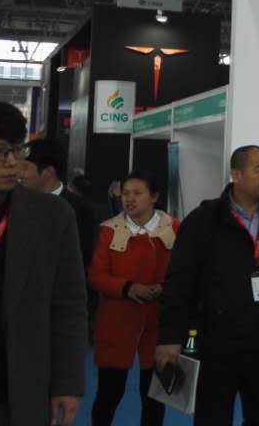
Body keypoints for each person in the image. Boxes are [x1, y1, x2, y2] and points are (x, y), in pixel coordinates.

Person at [157, 145, 259, 425]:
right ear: (236, 175)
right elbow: (179, 281)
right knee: (213, 418)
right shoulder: (204, 220)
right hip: (216, 343)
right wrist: (170, 336)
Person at [0, 99, 86, 425]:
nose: (12, 162)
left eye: (18, 151)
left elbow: (68, 305)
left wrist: (67, 382)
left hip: (15, 391)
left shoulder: (51, 216)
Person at [88, 172, 179, 426]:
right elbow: (96, 276)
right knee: (108, 393)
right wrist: (127, 287)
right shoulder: (108, 230)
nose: (129, 199)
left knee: (154, 397)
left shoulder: (173, 228)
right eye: (125, 193)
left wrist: (164, 287)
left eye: (137, 193)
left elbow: (184, 272)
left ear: (154, 197)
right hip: (116, 322)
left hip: (159, 323)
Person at [22, 139, 99, 277]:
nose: (19, 174)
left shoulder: (79, 209)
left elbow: (81, 262)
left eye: (25, 168)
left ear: (48, 172)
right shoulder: (17, 204)